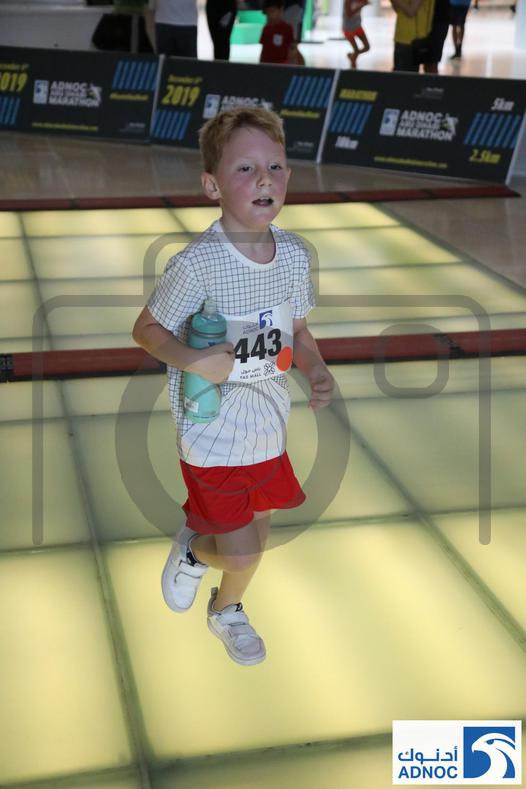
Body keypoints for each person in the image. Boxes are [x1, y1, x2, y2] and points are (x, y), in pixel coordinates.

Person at [132, 107, 334, 666]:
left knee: (256, 539)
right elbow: (146, 330)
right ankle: (195, 552)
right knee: (240, 551)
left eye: (275, 166)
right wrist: (194, 360)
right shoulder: (197, 264)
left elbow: (297, 330)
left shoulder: (294, 256)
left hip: (268, 426)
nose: (265, 178)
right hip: (212, 433)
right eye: (246, 168)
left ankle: (226, 609)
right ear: (212, 186)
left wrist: (316, 367)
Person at [343, 0, 370, 69]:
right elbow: (349, 14)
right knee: (356, 51)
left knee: (367, 47)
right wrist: (361, 6)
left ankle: (352, 56)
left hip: (357, 26)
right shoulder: (348, 1)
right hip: (348, 28)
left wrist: (364, 4)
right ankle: (353, 64)